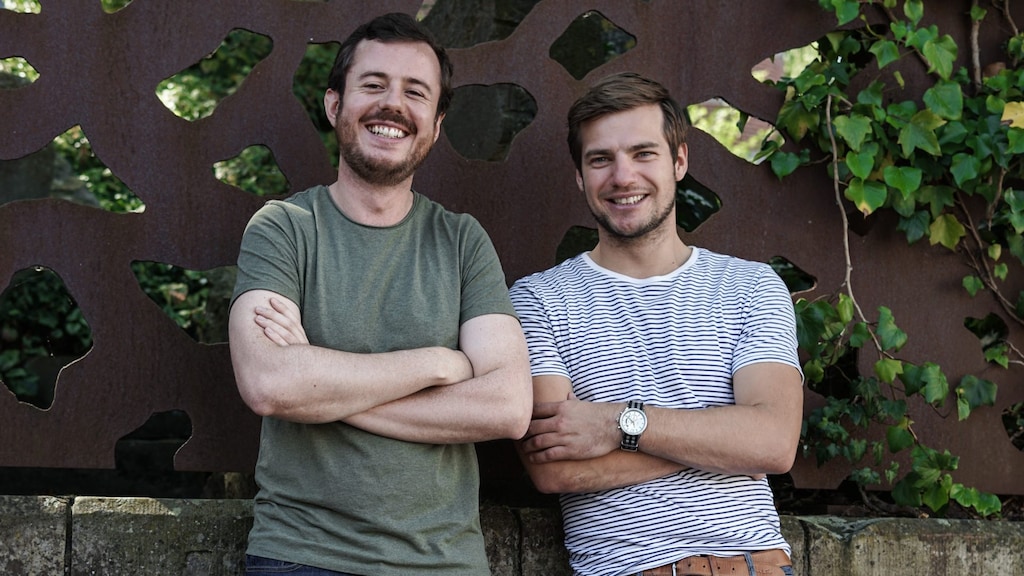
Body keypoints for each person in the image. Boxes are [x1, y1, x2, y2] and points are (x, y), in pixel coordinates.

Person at [228, 12, 532, 576]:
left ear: (436, 124)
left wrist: (324, 388)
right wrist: (439, 363)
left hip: (444, 563)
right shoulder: (283, 227)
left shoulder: (462, 240)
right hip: (303, 556)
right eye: (373, 85)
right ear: (334, 105)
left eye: (415, 92)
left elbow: (509, 407)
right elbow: (271, 384)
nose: (392, 104)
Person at [509, 72, 803, 576]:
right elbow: (554, 469)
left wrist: (615, 423)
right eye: (601, 159)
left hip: (755, 565)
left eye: (643, 153)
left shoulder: (752, 286)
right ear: (580, 176)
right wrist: (727, 443)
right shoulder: (538, 299)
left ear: (679, 161)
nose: (623, 177)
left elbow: (774, 443)